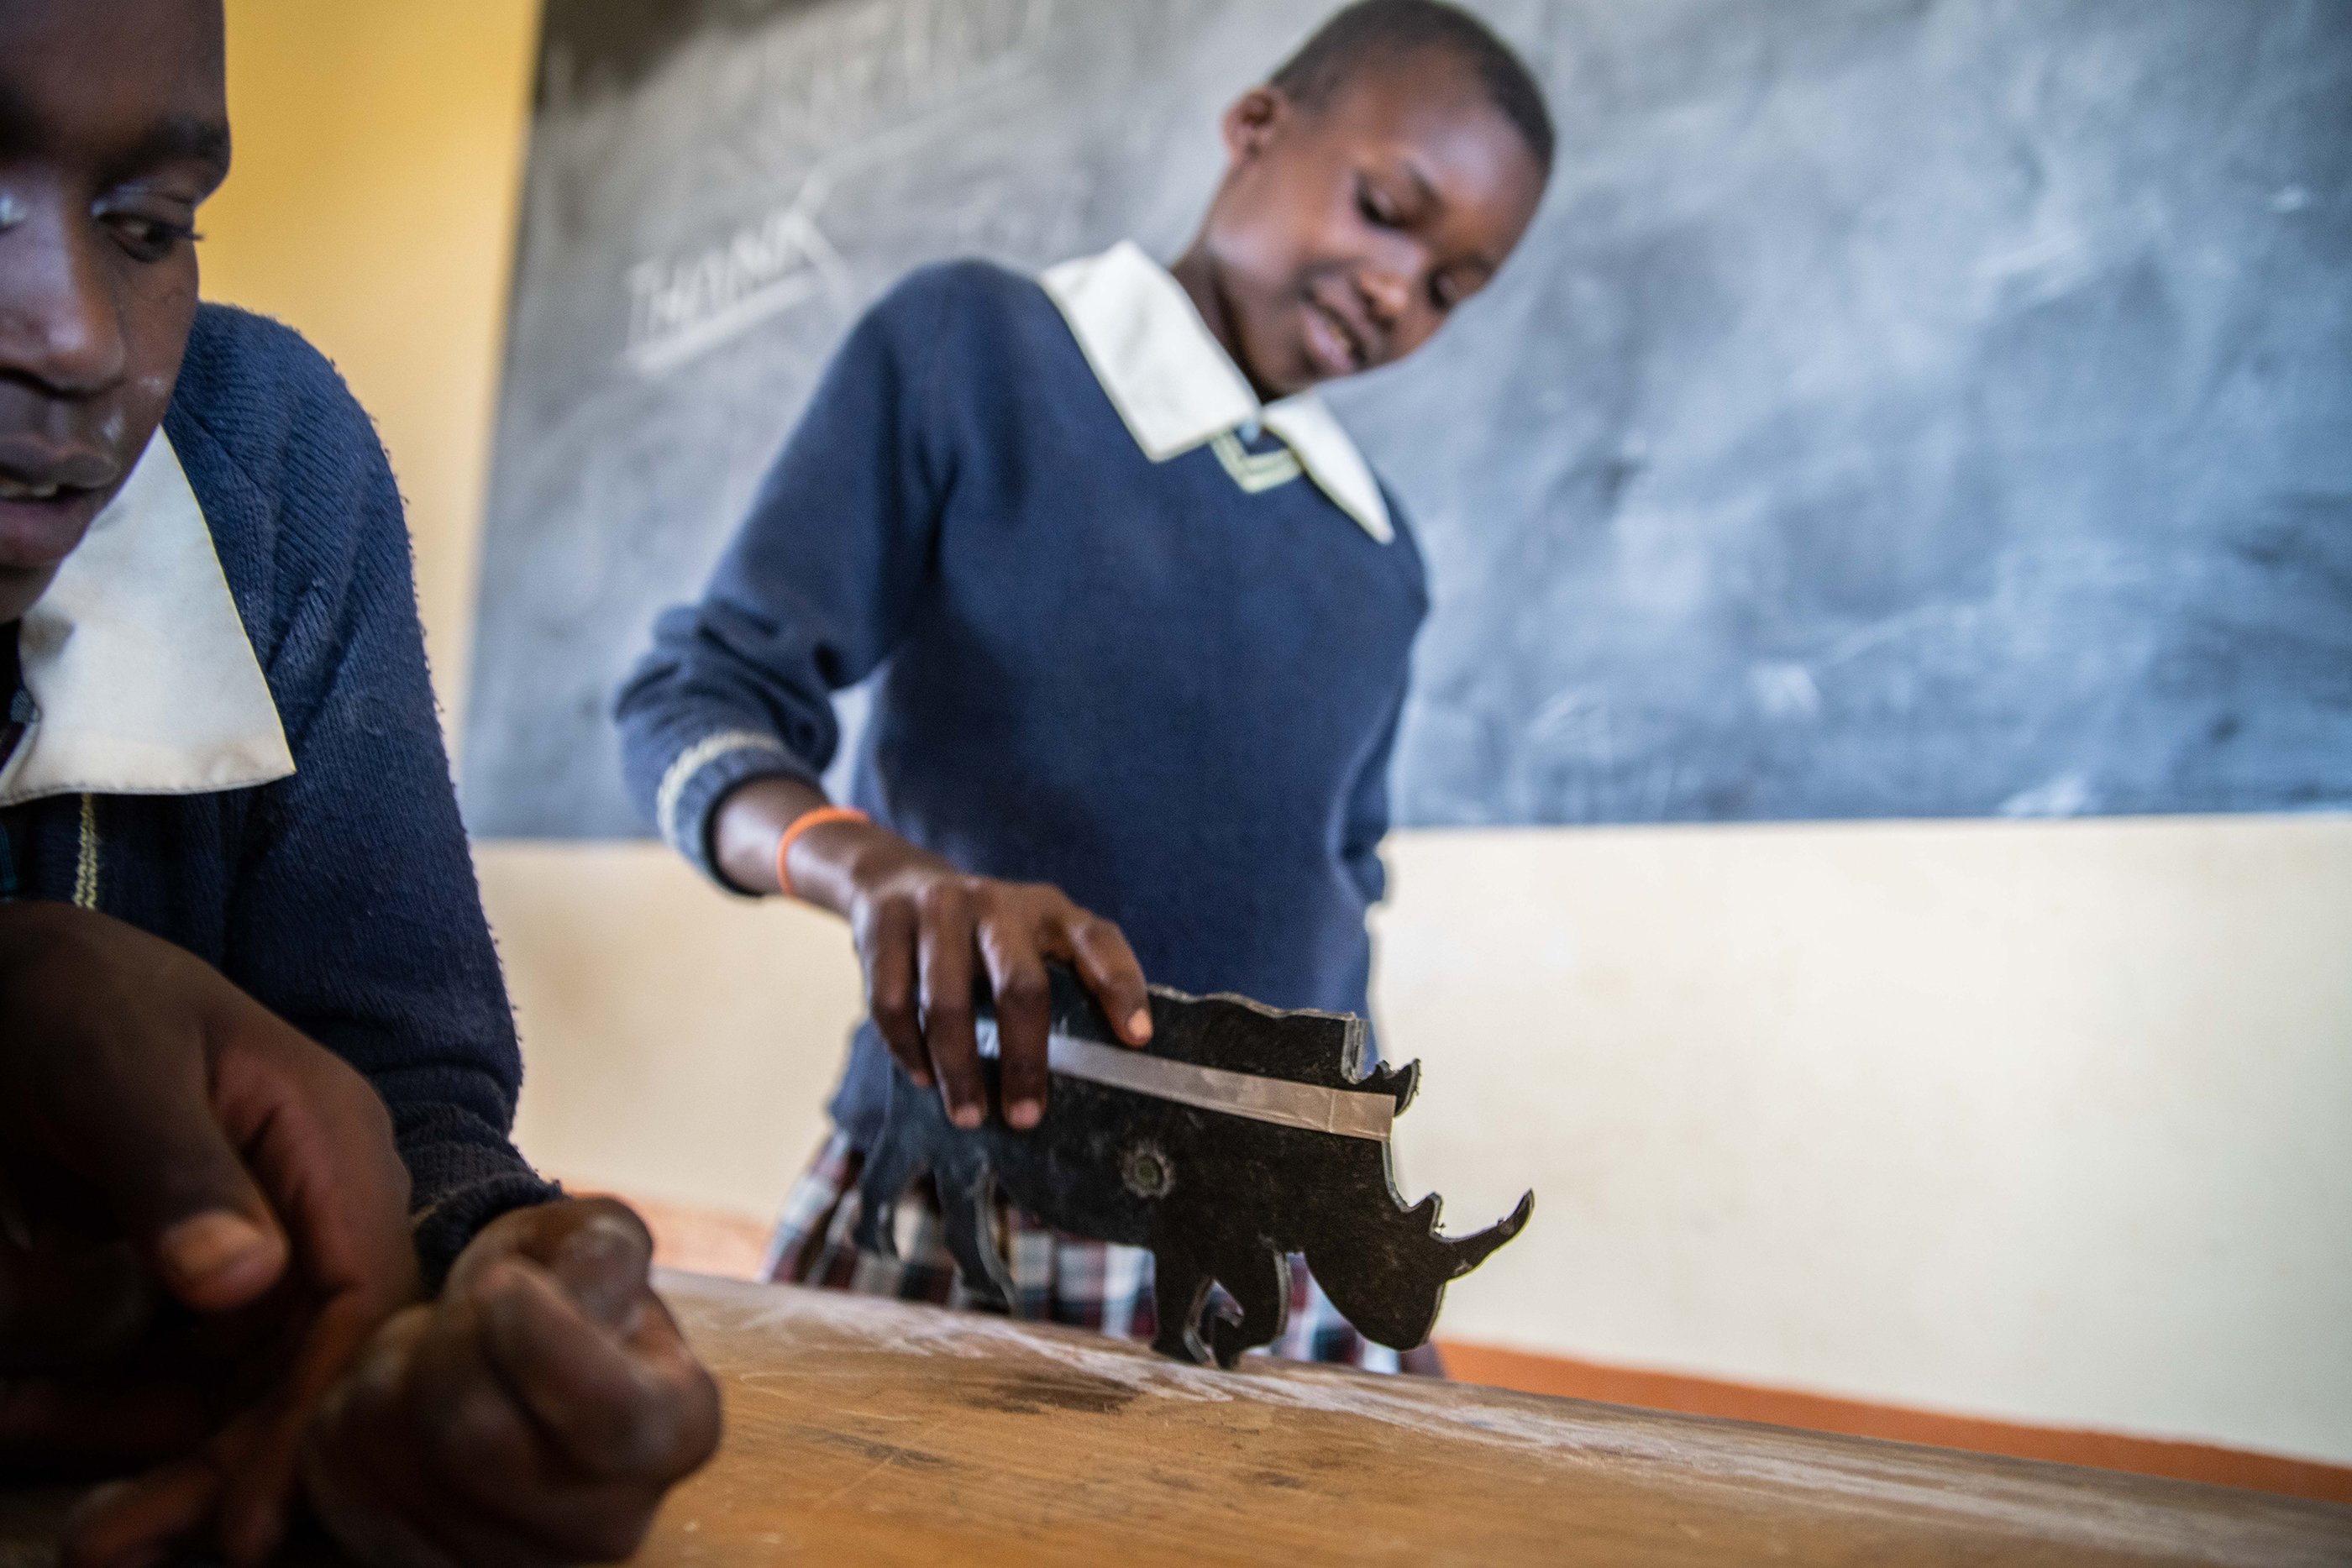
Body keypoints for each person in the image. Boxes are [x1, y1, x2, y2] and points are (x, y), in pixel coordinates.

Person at [617, 0, 1552, 1368]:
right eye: (1387, 210)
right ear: (1254, 126)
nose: (1402, 291)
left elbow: (1342, 878)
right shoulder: (973, 354)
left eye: (1454, 286)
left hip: (1275, 1236)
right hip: (979, 1187)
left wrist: (1359, 1201)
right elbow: (698, 696)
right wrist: (865, 868)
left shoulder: (1376, 552)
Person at [0, 3, 719, 1564]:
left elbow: (401, 1090)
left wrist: (484, 1279)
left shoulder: (265, 464)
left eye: (145, 225)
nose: (73, 332)